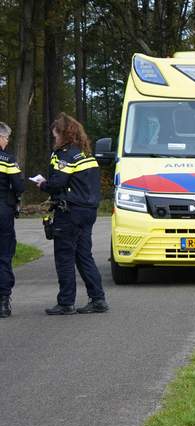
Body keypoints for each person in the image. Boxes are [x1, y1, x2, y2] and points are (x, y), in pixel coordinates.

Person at [34, 113, 106, 315]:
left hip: (69, 212)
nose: (54, 139)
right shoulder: (86, 155)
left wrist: (43, 184)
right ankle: (98, 298)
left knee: (64, 256)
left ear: (63, 134)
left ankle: (66, 302)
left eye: (55, 135)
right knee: (84, 256)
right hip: (88, 211)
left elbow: (58, 182)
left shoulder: (64, 155)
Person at [0, 122, 24, 319]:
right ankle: (3, 303)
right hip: (2, 212)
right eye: (6, 139)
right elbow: (18, 185)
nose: (7, 142)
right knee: (4, 256)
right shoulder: (7, 159)